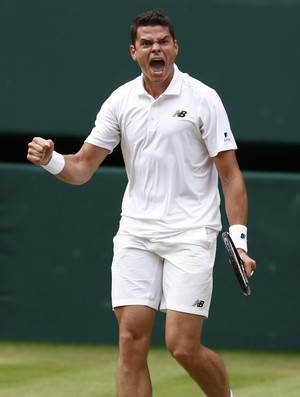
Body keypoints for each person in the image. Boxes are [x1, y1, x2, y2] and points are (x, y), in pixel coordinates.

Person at [27, 9, 256, 397]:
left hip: (191, 233)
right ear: (134, 52)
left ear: (175, 48)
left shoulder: (203, 98)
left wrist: (240, 240)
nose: (156, 49)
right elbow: (82, 167)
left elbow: (231, 176)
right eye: (147, 43)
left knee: (182, 346)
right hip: (136, 233)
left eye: (163, 42)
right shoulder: (120, 101)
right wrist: (51, 159)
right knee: (131, 342)